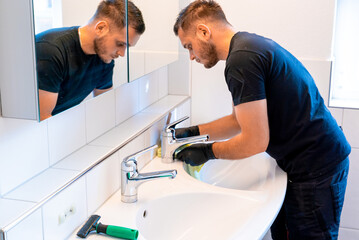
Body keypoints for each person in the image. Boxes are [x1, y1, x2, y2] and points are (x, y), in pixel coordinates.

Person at [172, 1, 351, 239]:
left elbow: (255, 141)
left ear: (204, 32)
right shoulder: (248, 46)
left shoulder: (241, 60)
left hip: (316, 168)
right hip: (315, 161)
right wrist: (192, 132)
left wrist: (208, 152)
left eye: (189, 46)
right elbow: (239, 121)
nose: (192, 56)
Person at [36, 0, 145, 120]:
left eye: (127, 47)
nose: (122, 53)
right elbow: (43, 121)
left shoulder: (105, 58)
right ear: (101, 28)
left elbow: (104, 106)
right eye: (120, 44)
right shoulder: (50, 51)